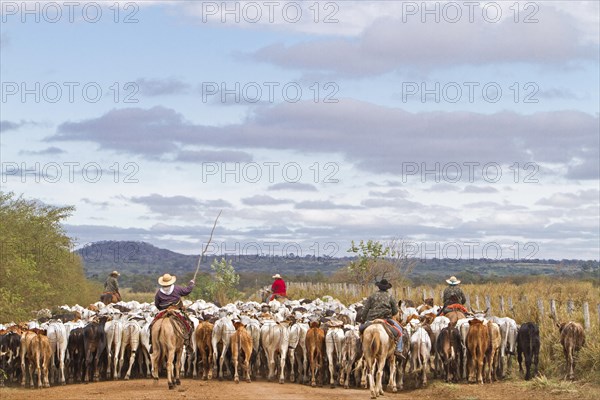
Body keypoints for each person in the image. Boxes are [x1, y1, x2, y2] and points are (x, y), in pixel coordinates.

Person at [151, 273, 196, 351]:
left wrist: (162, 309)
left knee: (152, 325)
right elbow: (187, 291)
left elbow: (157, 304)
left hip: (163, 311)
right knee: (188, 324)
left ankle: (152, 343)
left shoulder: (159, 292)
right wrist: (191, 284)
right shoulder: (176, 289)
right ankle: (188, 343)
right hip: (176, 311)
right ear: (171, 281)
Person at [360, 279, 403, 357]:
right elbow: (395, 311)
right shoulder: (390, 297)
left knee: (359, 331)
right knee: (400, 331)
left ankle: (360, 348)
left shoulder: (372, 296)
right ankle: (398, 350)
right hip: (386, 319)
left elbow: (365, 309)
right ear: (387, 288)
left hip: (371, 319)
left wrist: (363, 319)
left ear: (379, 287)